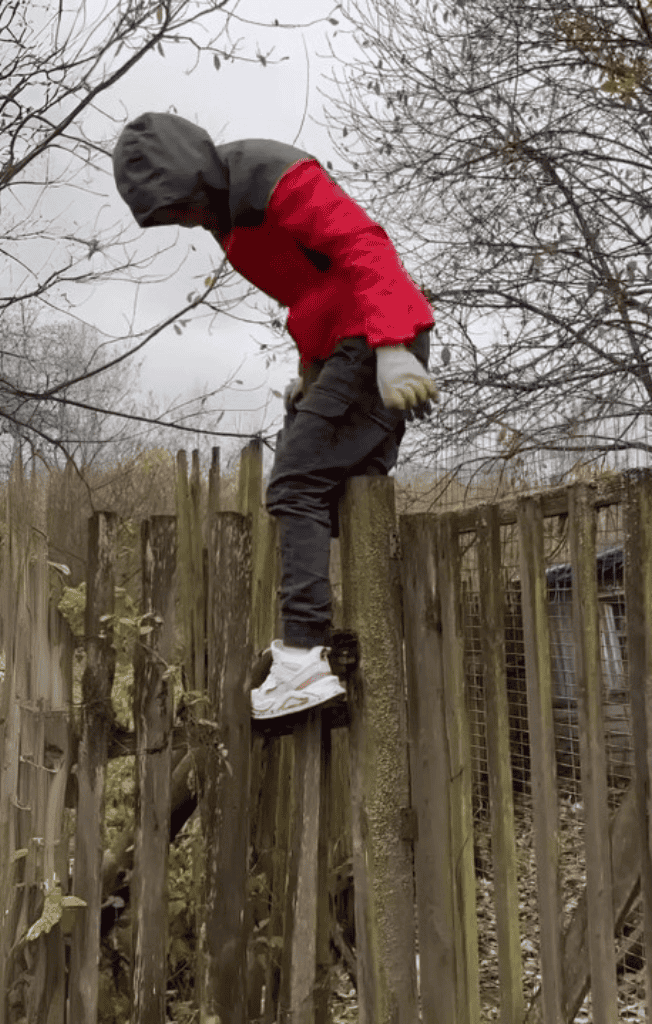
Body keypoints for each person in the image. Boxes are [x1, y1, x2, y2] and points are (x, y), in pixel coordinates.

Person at [113, 111, 438, 719]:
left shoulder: (272, 174)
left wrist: (393, 348)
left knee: (293, 485)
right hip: (340, 348)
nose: (183, 220)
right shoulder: (225, 219)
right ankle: (348, 642)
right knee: (333, 497)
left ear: (198, 174)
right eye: (170, 215)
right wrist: (309, 373)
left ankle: (302, 655)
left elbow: (360, 245)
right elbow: (312, 291)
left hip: (373, 340)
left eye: (181, 205)